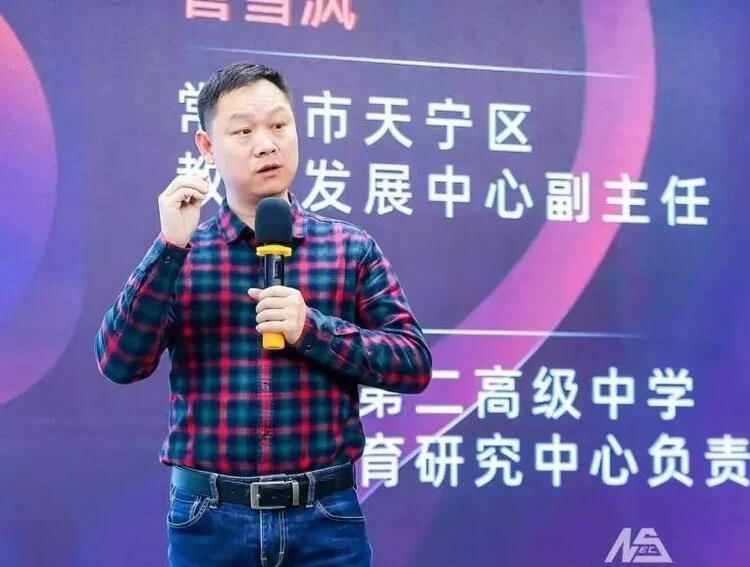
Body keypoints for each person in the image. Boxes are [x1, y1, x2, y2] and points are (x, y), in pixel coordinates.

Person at [94, 61, 433, 567]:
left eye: (279, 125)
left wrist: (312, 329)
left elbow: (413, 363)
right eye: (244, 131)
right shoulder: (185, 253)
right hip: (209, 518)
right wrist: (169, 246)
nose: (267, 144)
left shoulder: (349, 247)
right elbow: (120, 362)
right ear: (207, 146)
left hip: (325, 516)